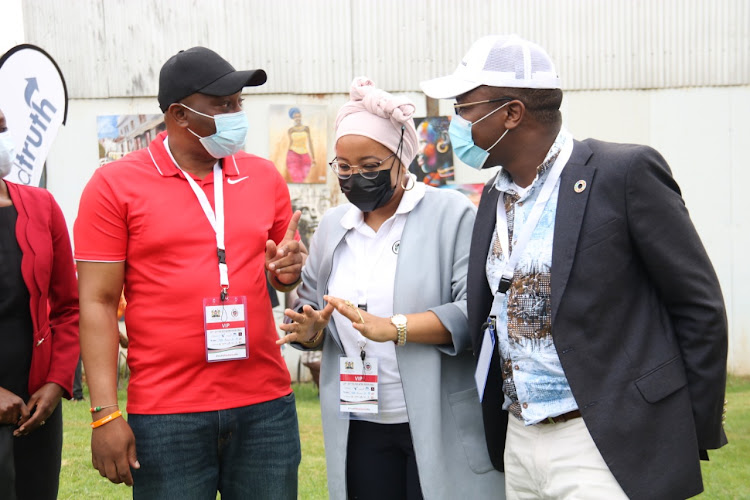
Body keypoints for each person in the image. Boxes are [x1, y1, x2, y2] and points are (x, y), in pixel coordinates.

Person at [421, 35, 729, 499]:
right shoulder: (493, 196)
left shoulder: (622, 173)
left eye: (464, 109)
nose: (455, 124)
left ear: (511, 113)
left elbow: (698, 306)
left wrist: (689, 424)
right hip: (520, 436)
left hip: (603, 438)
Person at [75, 47, 305, 499]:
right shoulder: (114, 185)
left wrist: (288, 269)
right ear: (180, 114)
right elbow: (97, 302)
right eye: (224, 105)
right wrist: (104, 413)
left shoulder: (263, 177)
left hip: (265, 407)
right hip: (167, 414)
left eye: (240, 103)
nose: (238, 114)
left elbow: (284, 271)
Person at [278, 78, 504, 500]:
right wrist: (309, 329)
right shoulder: (333, 226)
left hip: (435, 421)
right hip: (360, 421)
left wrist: (393, 327)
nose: (355, 178)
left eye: (369, 167)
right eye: (343, 168)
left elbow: (475, 310)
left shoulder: (450, 214)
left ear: (402, 159)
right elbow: (310, 305)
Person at [0, 108, 79, 499]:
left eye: (2, 128)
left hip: (36, 405)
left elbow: (69, 307)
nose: (3, 140)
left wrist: (56, 384)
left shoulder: (42, 207)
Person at [286, 107, 315, 182]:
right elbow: (289, 143)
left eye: (299, 116)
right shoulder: (290, 130)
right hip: (293, 155)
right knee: (296, 177)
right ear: (292, 118)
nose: (297, 118)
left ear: (301, 116)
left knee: (303, 177)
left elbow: (310, 143)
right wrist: (286, 157)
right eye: (295, 117)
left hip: (305, 155)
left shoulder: (306, 128)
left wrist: (313, 158)